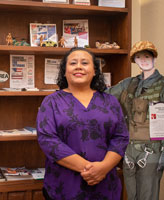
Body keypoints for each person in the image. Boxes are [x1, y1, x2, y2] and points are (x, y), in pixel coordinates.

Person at [36, 47, 129, 200]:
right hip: (64, 185)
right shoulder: (51, 101)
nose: (79, 66)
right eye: (73, 63)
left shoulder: (110, 101)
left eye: (85, 63)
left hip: (105, 183)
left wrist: (103, 168)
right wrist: (90, 170)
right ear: (65, 71)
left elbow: (121, 137)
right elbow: (48, 140)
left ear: (94, 71)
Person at [106, 40, 164, 200]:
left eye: (147, 56)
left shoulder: (162, 85)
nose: (143, 60)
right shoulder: (128, 84)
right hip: (128, 149)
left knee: (148, 195)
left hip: (152, 149)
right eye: (139, 57)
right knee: (131, 195)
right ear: (135, 61)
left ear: (154, 58)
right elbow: (105, 97)